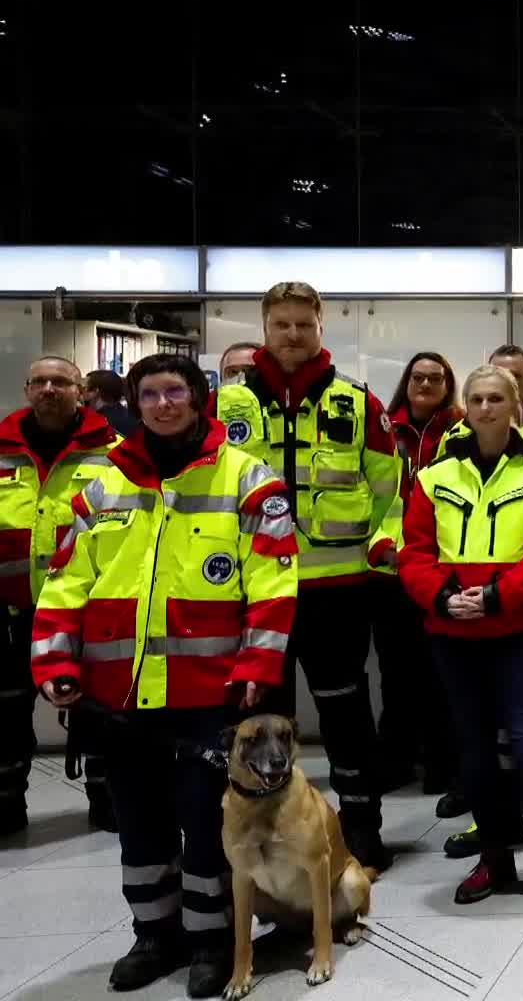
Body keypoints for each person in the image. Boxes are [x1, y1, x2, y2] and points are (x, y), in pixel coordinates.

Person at [33, 352, 298, 996]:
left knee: (204, 822)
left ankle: (211, 941)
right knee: (139, 823)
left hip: (210, 691)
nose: (161, 404)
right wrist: (55, 659)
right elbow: (66, 582)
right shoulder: (100, 485)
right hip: (116, 692)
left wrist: (257, 665)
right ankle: (153, 935)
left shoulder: (249, 479)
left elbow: (273, 581)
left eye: (173, 391)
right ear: (135, 402)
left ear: (197, 397)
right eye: (148, 394)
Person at [214, 281, 400, 870]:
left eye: (303, 324)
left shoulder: (357, 402)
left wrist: (384, 542)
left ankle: (361, 827)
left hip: (337, 592)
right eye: (281, 325)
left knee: (346, 714)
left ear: (321, 327)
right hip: (255, 591)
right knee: (259, 721)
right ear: (265, 329)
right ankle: (266, 829)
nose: (292, 335)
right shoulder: (226, 407)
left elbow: (392, 489)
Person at [399, 365, 523, 914]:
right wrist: (440, 597)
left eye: (496, 398)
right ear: (466, 405)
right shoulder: (435, 475)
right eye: (476, 399)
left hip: (519, 630)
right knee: (474, 752)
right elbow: (414, 551)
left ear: (514, 405)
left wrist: (499, 596)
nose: (484, 408)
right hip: (453, 632)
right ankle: (495, 857)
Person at [0, 356, 120, 836]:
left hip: (85, 610)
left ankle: (107, 800)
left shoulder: (114, 452)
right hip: (9, 610)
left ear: (81, 390)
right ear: (28, 389)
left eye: (61, 382)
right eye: (40, 382)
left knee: (98, 711)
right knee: (6, 714)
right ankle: (6, 803)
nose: (49, 389)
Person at [373, 352, 461, 805]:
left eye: (435, 377)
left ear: (448, 385)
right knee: (395, 672)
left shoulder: (462, 430)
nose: (425, 384)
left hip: (442, 569)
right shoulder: (384, 429)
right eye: (417, 376)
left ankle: (441, 762)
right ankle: (396, 759)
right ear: (406, 382)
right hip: (389, 568)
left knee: (439, 672)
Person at [81, 369, 140, 437]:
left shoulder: (99, 422)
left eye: (84, 387)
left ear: (96, 391)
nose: (80, 391)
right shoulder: (130, 416)